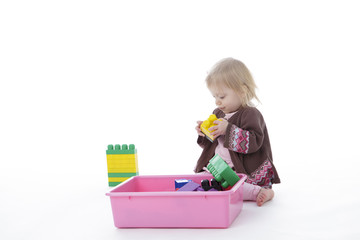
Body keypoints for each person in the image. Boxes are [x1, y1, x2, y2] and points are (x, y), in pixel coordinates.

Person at [195, 57, 280, 206]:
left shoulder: (250, 114)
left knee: (237, 185)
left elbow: (254, 142)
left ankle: (260, 192)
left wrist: (228, 130)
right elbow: (213, 145)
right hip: (220, 168)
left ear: (242, 91)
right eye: (214, 96)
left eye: (221, 96)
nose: (217, 101)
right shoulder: (218, 113)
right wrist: (205, 133)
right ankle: (219, 188)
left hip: (243, 170)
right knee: (200, 180)